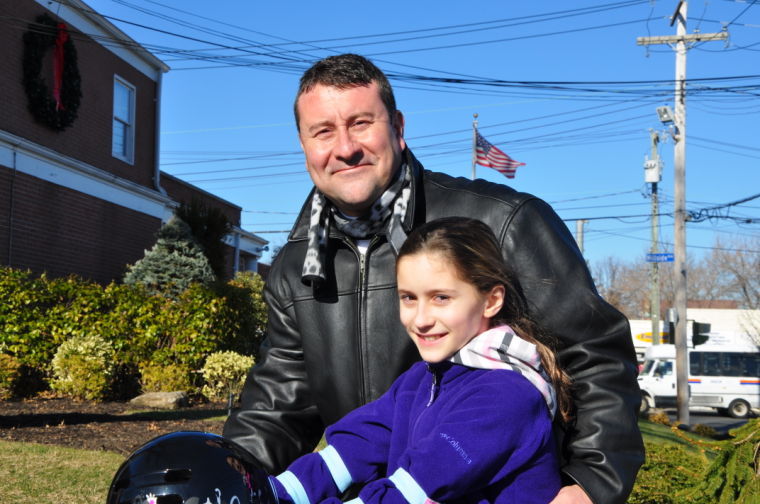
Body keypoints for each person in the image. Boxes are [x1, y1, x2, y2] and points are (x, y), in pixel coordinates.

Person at [224, 53, 644, 504]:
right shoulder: (295, 266)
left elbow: (596, 359)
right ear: (305, 145)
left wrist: (589, 486)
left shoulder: (505, 223)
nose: (345, 147)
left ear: (398, 128)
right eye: (323, 131)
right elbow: (277, 406)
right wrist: (225, 479)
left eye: (361, 123)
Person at [268, 217, 572, 504]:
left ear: (491, 300)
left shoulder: (507, 395)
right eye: (409, 298)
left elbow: (417, 488)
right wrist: (274, 492)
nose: (421, 319)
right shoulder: (419, 380)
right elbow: (356, 448)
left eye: (441, 297)